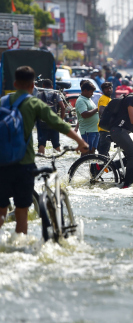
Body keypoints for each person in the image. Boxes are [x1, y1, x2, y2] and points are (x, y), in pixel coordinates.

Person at [0, 66, 88, 235]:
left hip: (1, 164)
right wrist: (80, 142)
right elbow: (58, 123)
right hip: (23, 164)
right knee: (22, 211)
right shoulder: (33, 103)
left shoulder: (3, 102)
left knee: (1, 210)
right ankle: (20, 245)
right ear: (33, 85)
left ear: (15, 83)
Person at [36, 79, 66, 154]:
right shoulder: (56, 94)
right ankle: (57, 161)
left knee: (41, 143)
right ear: (52, 86)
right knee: (56, 144)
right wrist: (61, 120)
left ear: (43, 86)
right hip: (54, 122)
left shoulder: (39, 94)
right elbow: (63, 107)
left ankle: (41, 158)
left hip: (42, 122)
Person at [75, 80, 100, 155]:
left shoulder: (88, 99)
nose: (92, 94)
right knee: (86, 152)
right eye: (91, 92)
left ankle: (92, 167)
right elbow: (84, 114)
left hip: (95, 129)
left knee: (92, 152)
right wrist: (97, 108)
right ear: (85, 91)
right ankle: (78, 165)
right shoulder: (81, 100)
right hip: (88, 131)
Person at [97, 82, 114, 156]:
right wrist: (107, 124)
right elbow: (101, 111)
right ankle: (102, 167)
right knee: (103, 153)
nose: (109, 90)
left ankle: (107, 167)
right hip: (105, 130)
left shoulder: (108, 98)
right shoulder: (104, 98)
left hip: (105, 129)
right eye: (107, 89)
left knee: (104, 153)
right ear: (103, 90)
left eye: (110, 88)